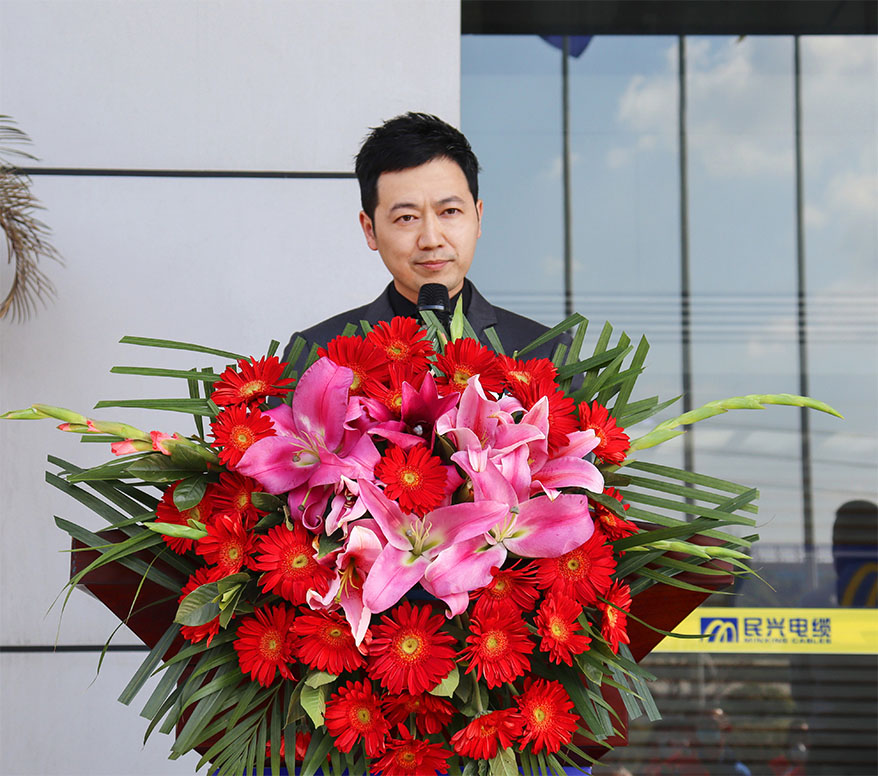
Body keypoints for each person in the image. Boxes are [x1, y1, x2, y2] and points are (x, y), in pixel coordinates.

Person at [280, 112, 570, 369]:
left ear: (478, 217)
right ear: (370, 230)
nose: (431, 240)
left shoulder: (546, 354)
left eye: (450, 211)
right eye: (407, 217)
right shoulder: (315, 354)